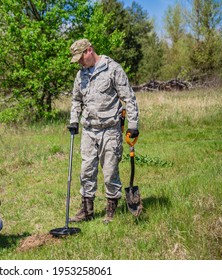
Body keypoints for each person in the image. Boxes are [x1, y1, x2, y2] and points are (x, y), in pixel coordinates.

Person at [67, 39, 139, 224]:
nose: (80, 63)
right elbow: (76, 100)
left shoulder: (112, 68)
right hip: (89, 130)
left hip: (110, 130)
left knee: (110, 171)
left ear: (89, 51)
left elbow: (129, 98)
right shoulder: (80, 75)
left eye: (81, 58)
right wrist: (74, 120)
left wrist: (133, 125)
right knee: (86, 171)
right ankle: (86, 210)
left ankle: (111, 210)